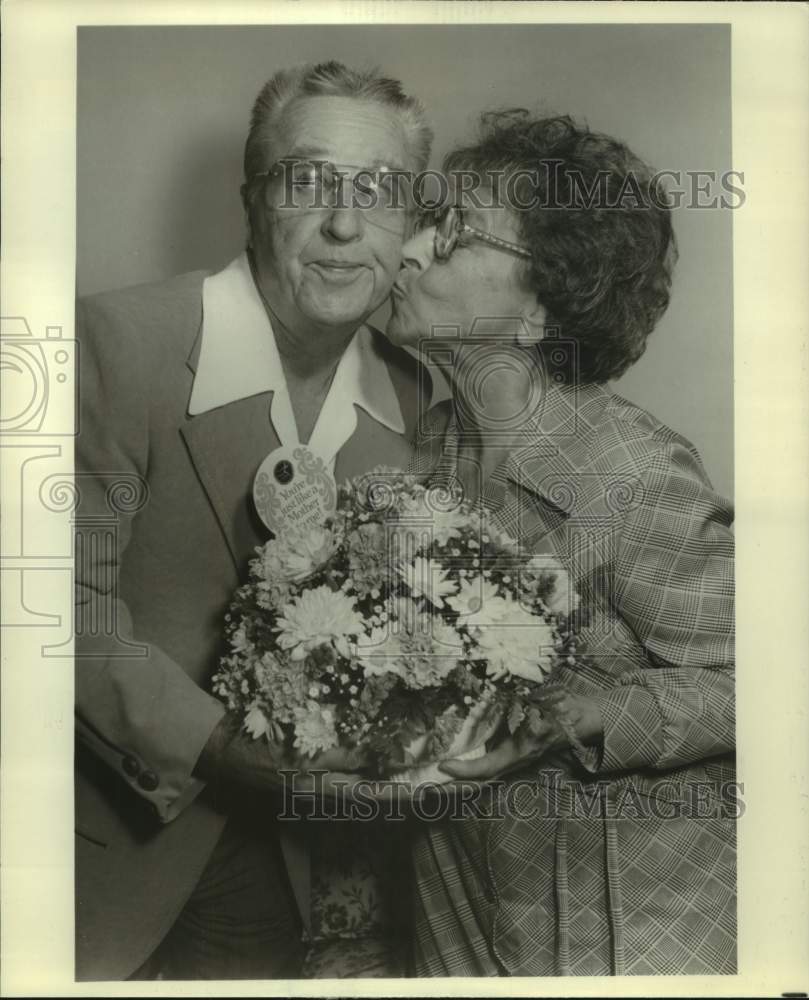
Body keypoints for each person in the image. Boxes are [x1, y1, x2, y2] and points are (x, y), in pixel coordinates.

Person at [74, 60, 434, 980]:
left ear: (412, 221)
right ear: (252, 197)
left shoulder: (408, 400)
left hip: (284, 877)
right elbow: (46, 619)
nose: (345, 225)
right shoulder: (117, 345)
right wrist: (226, 752)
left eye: (381, 191)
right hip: (93, 844)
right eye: (308, 181)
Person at [386, 111, 736, 976]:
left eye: (453, 233)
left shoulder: (638, 473)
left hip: (633, 917)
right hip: (459, 891)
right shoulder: (422, 447)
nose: (408, 251)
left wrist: (580, 717)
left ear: (540, 308)